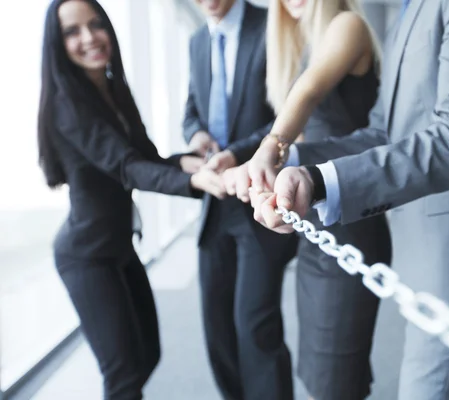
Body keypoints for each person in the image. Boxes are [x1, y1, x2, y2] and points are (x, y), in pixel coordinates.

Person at [251, 0, 449, 399]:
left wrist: (318, 181)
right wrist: (292, 161)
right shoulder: (412, 8)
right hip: (431, 255)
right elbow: (384, 132)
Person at [37, 1, 222, 398]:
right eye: (72, 31)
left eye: (95, 24)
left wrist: (188, 163)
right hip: (86, 256)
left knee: (148, 355)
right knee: (122, 377)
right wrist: (197, 183)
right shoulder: (68, 104)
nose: (88, 38)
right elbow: (127, 168)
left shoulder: (111, 89)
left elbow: (146, 160)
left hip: (119, 246)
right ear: (57, 43)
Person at [220, 0, 391, 399]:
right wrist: (249, 163)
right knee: (320, 369)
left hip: (350, 222)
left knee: (335, 377)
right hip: (315, 222)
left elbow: (310, 93)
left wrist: (268, 149)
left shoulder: (348, 25)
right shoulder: (303, 41)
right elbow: (296, 135)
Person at [182, 1, 298, 399]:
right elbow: (191, 110)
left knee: (255, 324)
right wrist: (196, 134)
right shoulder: (198, 41)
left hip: (258, 195)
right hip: (215, 203)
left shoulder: (273, 25)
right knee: (217, 326)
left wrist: (238, 153)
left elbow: (289, 114)